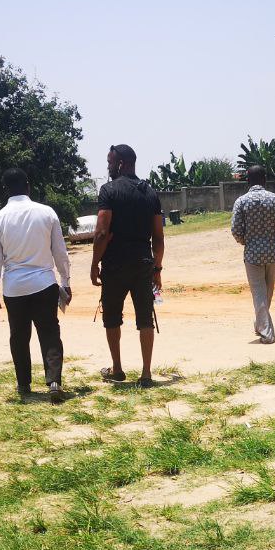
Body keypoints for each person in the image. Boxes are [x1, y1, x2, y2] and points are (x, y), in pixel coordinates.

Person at [0, 168, 71, 403]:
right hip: (44, 284)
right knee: (50, 333)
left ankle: (24, 385)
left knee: (19, 337)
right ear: (28, 185)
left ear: (6, 190)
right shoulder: (47, 213)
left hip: (14, 289)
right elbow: (60, 253)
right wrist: (66, 280)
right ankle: (54, 381)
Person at [91, 144, 165, 387]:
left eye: (110, 161)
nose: (109, 166)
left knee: (112, 317)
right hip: (143, 264)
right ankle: (146, 374)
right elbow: (158, 237)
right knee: (145, 318)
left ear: (121, 163)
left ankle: (118, 369)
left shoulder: (108, 191)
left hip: (114, 265)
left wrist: (94, 264)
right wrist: (157, 268)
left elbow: (102, 233)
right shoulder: (150, 193)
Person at [231, 165, 275, 344]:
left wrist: (244, 241)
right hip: (273, 253)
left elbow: (235, 229)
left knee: (259, 292)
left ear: (248, 181)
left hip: (252, 254)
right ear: (265, 180)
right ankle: (260, 324)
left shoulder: (241, 202)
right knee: (267, 290)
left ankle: (266, 332)